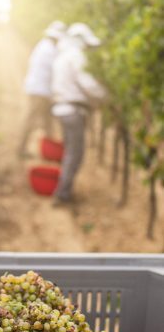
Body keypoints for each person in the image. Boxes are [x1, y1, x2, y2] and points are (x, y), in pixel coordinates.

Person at [51, 23, 106, 204]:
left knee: (69, 152)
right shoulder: (76, 56)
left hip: (61, 109)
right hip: (73, 111)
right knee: (75, 153)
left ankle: (62, 187)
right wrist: (106, 97)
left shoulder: (62, 56)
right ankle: (62, 193)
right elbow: (87, 83)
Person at [18, 20, 66, 158]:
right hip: (40, 91)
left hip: (39, 89)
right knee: (32, 120)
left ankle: (48, 152)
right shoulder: (49, 50)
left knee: (47, 122)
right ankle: (21, 149)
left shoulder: (43, 46)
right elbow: (56, 72)